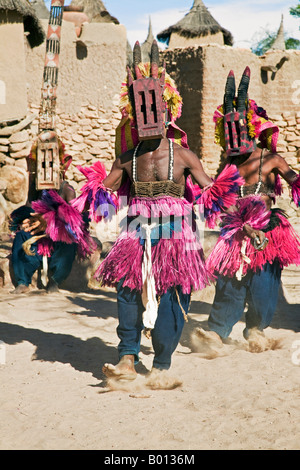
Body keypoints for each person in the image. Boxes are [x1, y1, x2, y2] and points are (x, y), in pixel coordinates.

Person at [72, 41, 243, 387]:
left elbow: (213, 192)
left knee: (176, 291)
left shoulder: (184, 156)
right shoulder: (127, 158)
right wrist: (85, 196)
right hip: (135, 229)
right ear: (134, 114)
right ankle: (127, 356)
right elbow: (104, 194)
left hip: (177, 233)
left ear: (168, 113)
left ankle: (162, 362)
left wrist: (231, 190)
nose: (150, 116)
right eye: (142, 109)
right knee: (126, 288)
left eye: (156, 108)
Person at [195, 67, 300, 353]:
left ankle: (255, 329)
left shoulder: (270, 160)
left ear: (249, 130)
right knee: (229, 284)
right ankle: (216, 332)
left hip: (268, 232)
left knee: (264, 288)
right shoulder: (229, 165)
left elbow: (295, 181)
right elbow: (220, 197)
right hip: (236, 232)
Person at [9, 131, 96, 294]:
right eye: (42, 163)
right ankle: (23, 281)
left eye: (51, 163)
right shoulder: (36, 188)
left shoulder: (66, 190)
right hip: (38, 236)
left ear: (61, 164)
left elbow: (73, 220)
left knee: (69, 240)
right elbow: (29, 208)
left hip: (58, 237)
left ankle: (55, 281)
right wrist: (25, 220)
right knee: (21, 236)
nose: (46, 168)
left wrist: (51, 223)